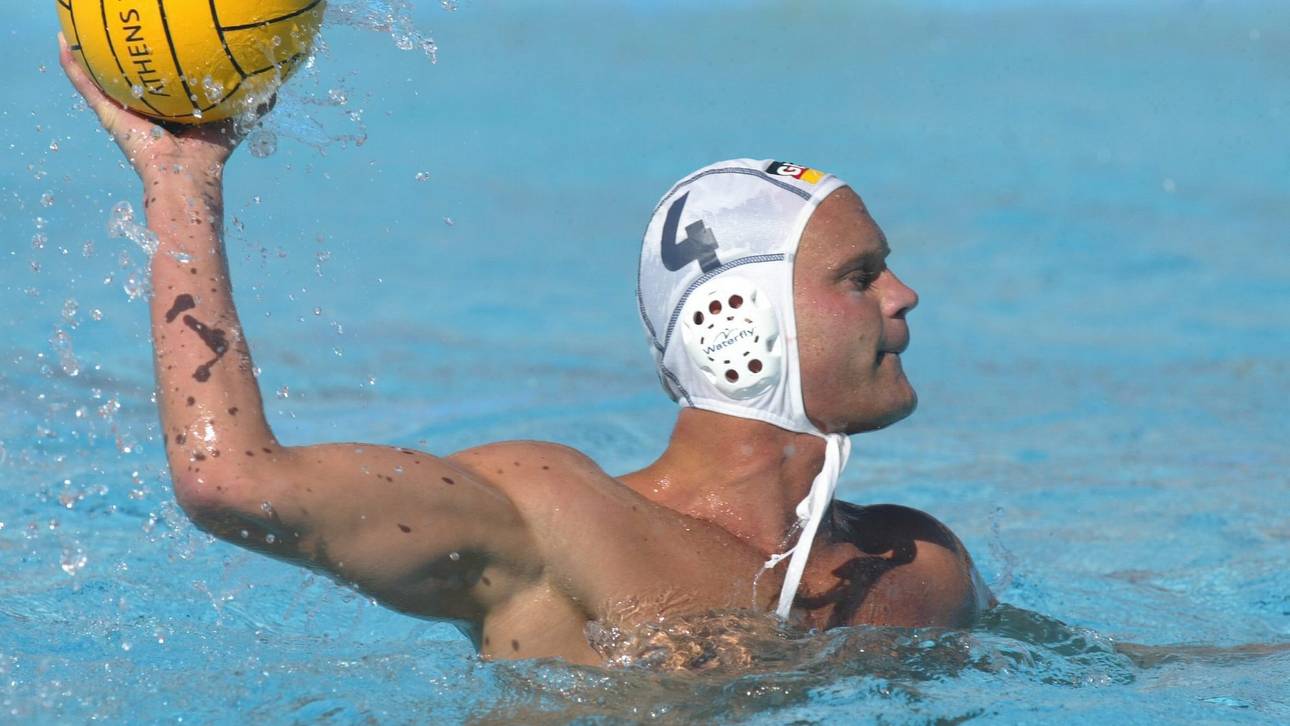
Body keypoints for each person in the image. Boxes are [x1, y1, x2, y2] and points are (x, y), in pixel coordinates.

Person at [59, 33, 992, 666]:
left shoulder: (920, 568)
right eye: (861, 275)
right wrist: (180, 181)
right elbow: (232, 482)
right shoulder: (555, 518)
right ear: (740, 320)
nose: (905, 296)